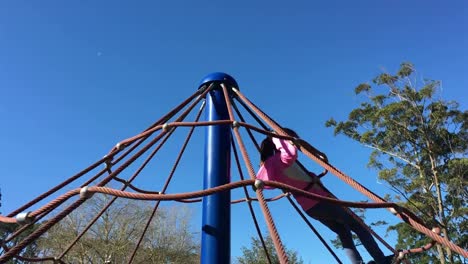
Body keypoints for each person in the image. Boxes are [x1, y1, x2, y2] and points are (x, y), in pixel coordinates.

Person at [256, 128, 395, 264]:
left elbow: (271, 182)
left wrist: (312, 177)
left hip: (311, 208)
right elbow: (289, 155)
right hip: (320, 201)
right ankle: (381, 260)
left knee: (343, 231)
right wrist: (278, 137)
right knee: (358, 225)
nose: (294, 145)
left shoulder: (272, 165)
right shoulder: (279, 159)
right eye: (291, 141)